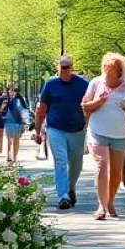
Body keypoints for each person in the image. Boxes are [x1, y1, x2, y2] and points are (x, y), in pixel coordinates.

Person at [82, 53, 125, 220]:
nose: (108, 71)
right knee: (102, 165)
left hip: (120, 134)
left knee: (116, 172)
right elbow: (84, 106)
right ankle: (101, 206)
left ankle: (110, 201)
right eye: (106, 67)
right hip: (97, 131)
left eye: (112, 69)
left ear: (120, 71)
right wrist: (98, 102)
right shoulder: (95, 83)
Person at [34, 55, 89, 210]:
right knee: (60, 161)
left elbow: (90, 105)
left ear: (72, 67)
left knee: (76, 165)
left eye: (68, 66)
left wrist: (88, 123)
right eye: (62, 67)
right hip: (56, 129)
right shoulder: (50, 84)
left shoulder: (82, 84)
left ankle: (71, 188)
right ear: (57, 67)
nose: (65, 70)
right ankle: (63, 195)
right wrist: (38, 132)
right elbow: (41, 109)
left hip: (77, 130)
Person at [3, 86, 27, 164]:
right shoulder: (5, 101)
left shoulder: (18, 101)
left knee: (16, 141)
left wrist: (23, 123)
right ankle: (9, 155)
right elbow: (2, 111)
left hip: (17, 123)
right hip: (8, 123)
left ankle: (15, 157)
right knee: (9, 141)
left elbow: (23, 112)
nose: (11, 93)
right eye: (10, 91)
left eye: (13, 91)